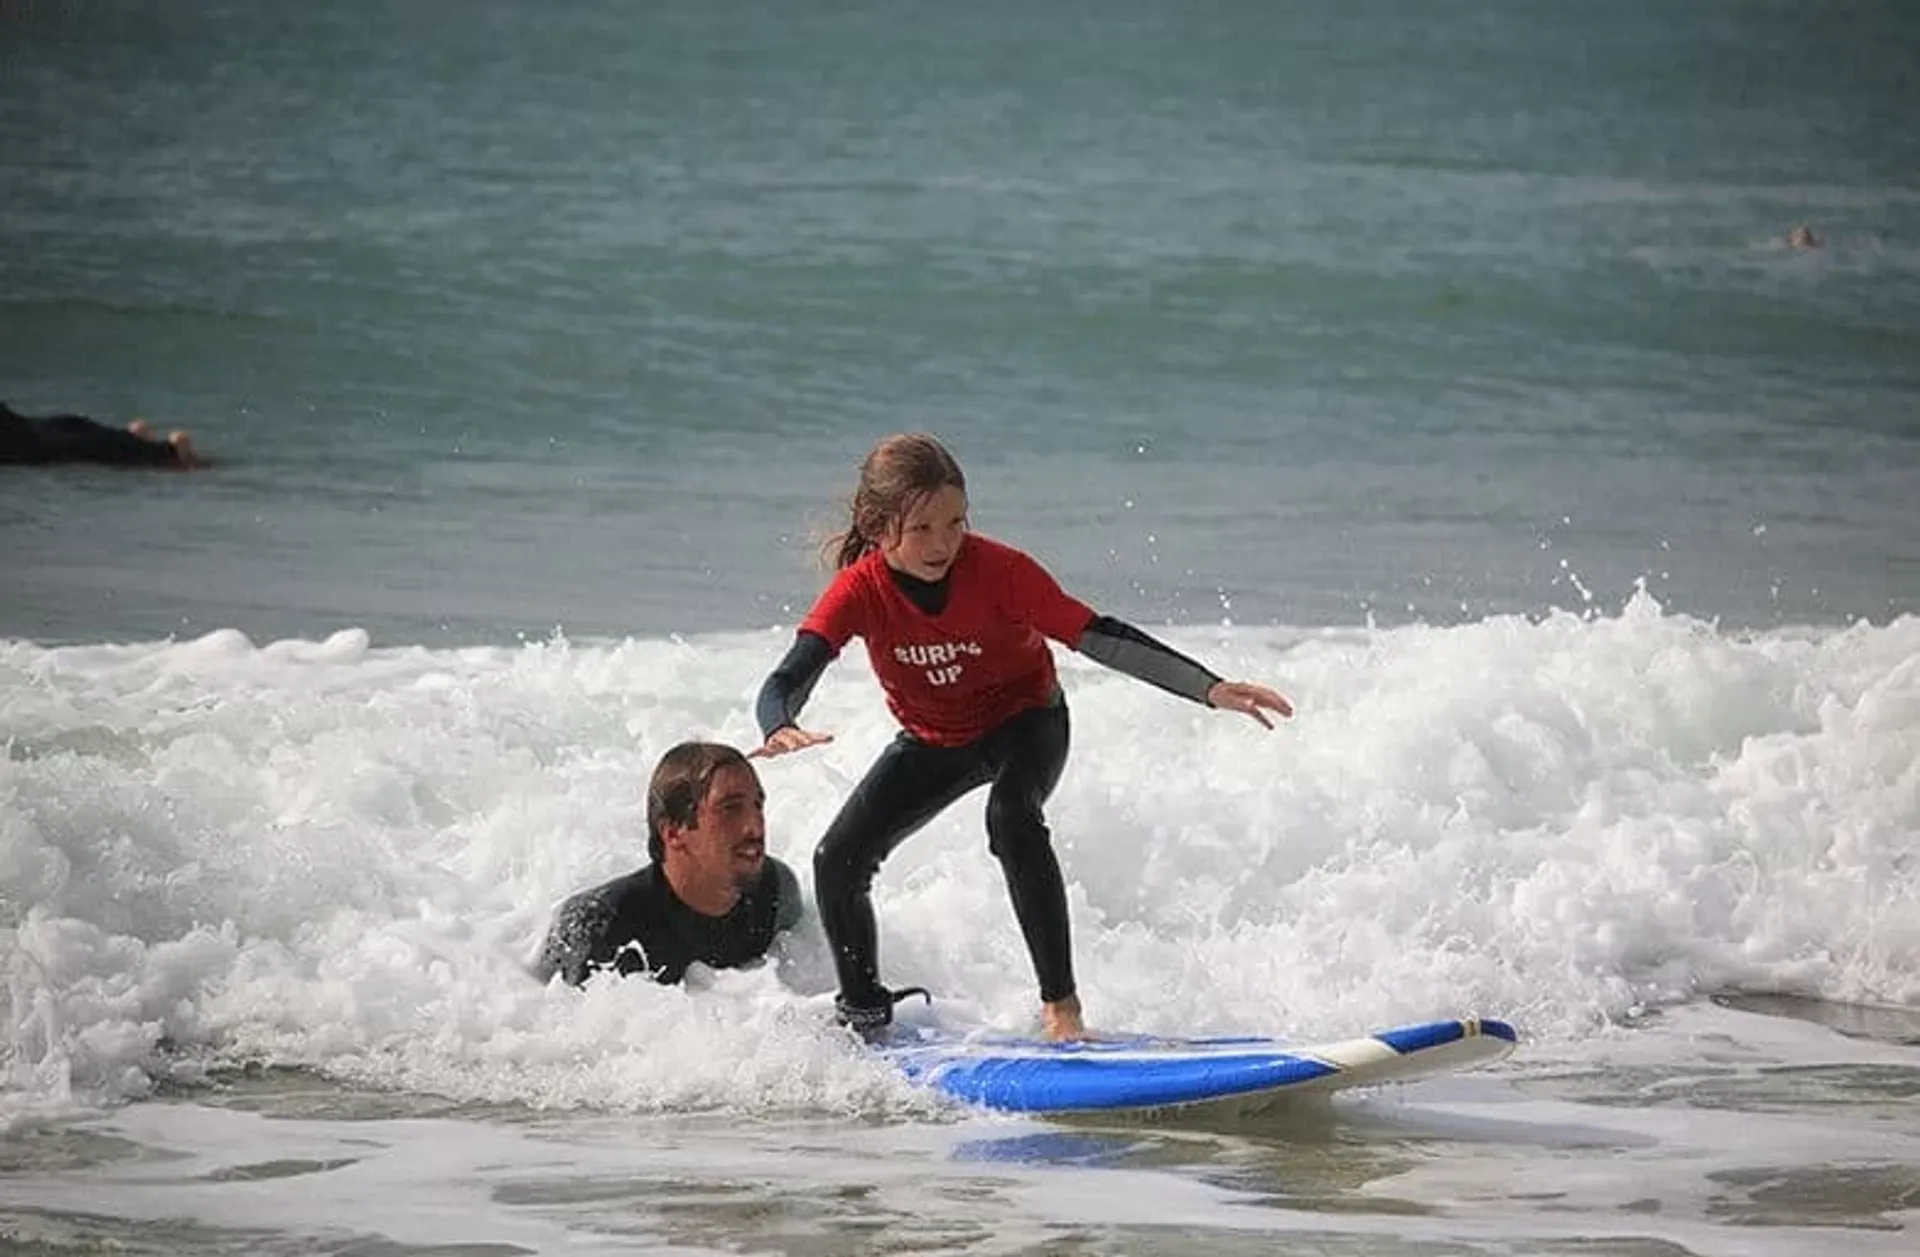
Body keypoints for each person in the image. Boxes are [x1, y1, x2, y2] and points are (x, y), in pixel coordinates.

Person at [751, 433, 1292, 1041]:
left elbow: (1097, 634)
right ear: (878, 527)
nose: (943, 544)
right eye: (922, 528)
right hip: (935, 740)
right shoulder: (860, 590)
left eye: (955, 523)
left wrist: (1207, 687)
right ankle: (865, 1015)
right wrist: (779, 723)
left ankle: (1063, 1010)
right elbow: (791, 673)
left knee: (1011, 816)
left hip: (1026, 723)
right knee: (837, 859)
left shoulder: (1001, 571)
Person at [535, 741, 803, 987]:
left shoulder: (777, 893)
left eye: (758, 805)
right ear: (673, 832)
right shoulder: (598, 926)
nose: (755, 826)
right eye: (730, 808)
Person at [0, 402, 202, 468]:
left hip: (34, 440)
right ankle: (141, 440)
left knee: (85, 443)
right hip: (33, 430)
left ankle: (172, 450)